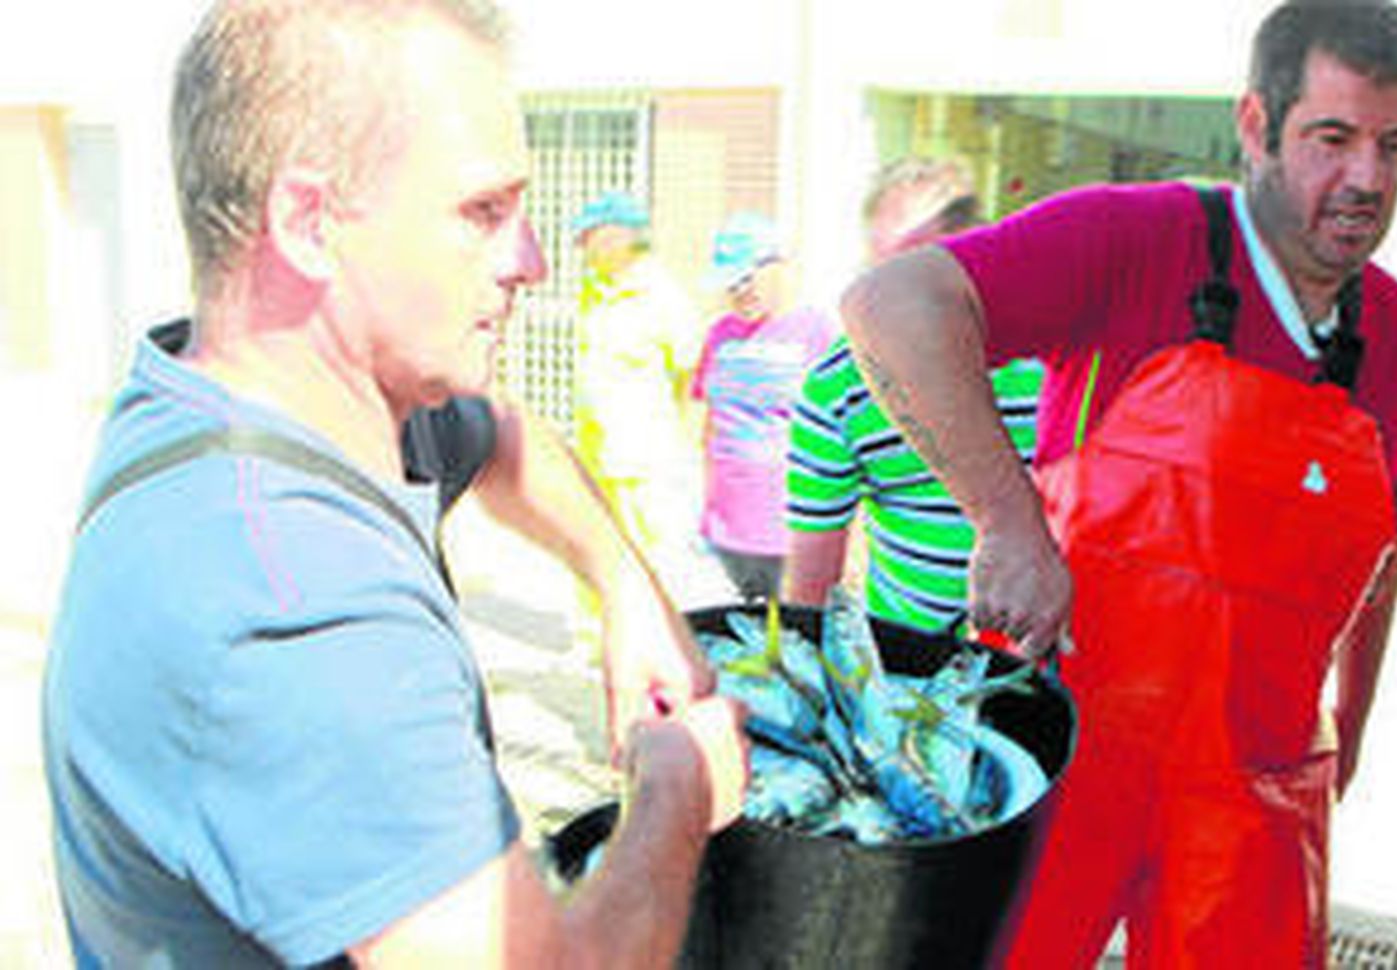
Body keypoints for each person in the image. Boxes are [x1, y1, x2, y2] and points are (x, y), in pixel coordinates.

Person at [41, 1, 747, 966]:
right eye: (483, 213)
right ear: (309, 223)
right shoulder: (286, 601)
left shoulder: (286, 401)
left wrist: (624, 588)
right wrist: (677, 790)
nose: (531, 261)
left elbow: (500, 438)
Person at [840, 1, 1397, 965]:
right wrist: (1007, 523)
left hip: (1258, 782)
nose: (1365, 178)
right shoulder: (1134, 239)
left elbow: (1388, 548)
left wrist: (1349, 734)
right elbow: (892, 305)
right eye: (1332, 138)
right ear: (1256, 125)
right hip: (1057, 747)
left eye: (1393, 145)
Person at [785, 157, 1044, 633]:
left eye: (926, 268)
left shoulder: (1056, 356)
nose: (907, 303)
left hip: (1051, 655)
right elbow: (811, 586)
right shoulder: (836, 386)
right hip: (909, 669)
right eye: (888, 277)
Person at [691, 212, 835, 602]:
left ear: (778, 267)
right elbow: (708, 424)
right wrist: (705, 502)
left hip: (789, 524)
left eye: (747, 279)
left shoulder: (816, 330)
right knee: (748, 630)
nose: (739, 292)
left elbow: (843, 431)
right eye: (730, 283)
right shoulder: (720, 334)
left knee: (792, 632)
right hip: (728, 522)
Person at [569, 191, 704, 575]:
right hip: (597, 455)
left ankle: (653, 635)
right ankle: (595, 636)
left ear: (619, 237)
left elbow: (690, 376)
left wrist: (680, 448)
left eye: (589, 237)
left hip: (644, 464)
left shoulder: (662, 296)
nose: (583, 247)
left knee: (649, 563)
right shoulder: (593, 289)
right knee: (596, 557)